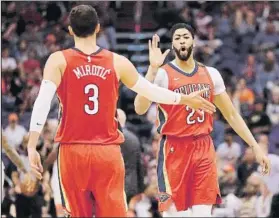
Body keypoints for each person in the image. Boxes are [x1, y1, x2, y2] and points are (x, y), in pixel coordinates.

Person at [26, 5, 216, 217]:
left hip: (72, 151)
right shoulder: (118, 62)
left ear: (70, 30)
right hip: (107, 151)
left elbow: (42, 102)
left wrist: (33, 144)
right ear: (98, 28)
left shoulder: (58, 60)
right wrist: (184, 99)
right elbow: (150, 90)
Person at [134, 23, 271, 217]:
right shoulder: (163, 74)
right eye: (177, 38)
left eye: (185, 37)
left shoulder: (211, 74)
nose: (182, 41)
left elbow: (231, 115)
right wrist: (152, 69)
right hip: (174, 149)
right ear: (173, 45)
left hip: (203, 148)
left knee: (203, 214)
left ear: (193, 42)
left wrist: (255, 146)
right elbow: (139, 108)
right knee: (176, 214)